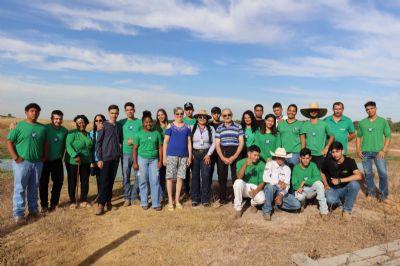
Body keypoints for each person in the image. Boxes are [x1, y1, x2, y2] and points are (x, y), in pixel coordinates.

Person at [7, 103, 47, 224]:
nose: (34, 113)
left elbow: (46, 143)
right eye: (32, 111)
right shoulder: (19, 126)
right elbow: (9, 142)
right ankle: (18, 214)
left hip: (37, 163)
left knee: (34, 187)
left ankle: (33, 211)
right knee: (20, 188)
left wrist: (44, 157)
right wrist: (15, 157)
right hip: (22, 163)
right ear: (26, 112)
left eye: (37, 111)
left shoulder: (42, 128)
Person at [356, 101, 391, 203]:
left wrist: (384, 150)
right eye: (367, 109)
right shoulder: (362, 123)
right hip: (365, 153)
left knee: (383, 173)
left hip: (378, 152)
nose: (369, 111)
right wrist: (358, 150)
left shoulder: (383, 121)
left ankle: (383, 195)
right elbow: (358, 137)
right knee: (368, 174)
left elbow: (388, 136)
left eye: (371, 108)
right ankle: (370, 193)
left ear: (376, 108)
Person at [321, 141, 362, 221]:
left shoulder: (350, 161)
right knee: (330, 200)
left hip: (344, 188)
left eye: (337, 151)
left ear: (342, 151)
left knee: (355, 185)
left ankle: (346, 210)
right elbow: (322, 172)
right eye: (333, 152)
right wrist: (325, 184)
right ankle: (340, 202)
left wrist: (340, 180)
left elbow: (359, 176)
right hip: (332, 189)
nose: (335, 154)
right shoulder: (328, 161)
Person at [163, 107, 192, 211]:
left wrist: (189, 156)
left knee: (180, 178)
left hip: (183, 156)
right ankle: (170, 201)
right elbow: (165, 142)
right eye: (177, 114)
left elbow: (189, 142)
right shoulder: (170, 126)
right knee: (170, 178)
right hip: (171, 155)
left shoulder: (187, 126)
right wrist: (164, 158)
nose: (179, 116)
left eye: (181, 114)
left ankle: (177, 200)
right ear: (174, 115)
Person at [95, 105, 123, 215]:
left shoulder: (118, 126)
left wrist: (119, 148)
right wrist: (99, 159)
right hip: (105, 158)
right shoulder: (103, 126)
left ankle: (109, 202)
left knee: (111, 181)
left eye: (116, 113)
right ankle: (101, 204)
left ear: (118, 113)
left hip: (115, 158)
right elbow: (98, 143)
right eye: (112, 113)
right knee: (104, 181)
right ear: (108, 113)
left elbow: (120, 140)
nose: (114, 115)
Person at [133, 111, 163, 211]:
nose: (148, 124)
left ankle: (156, 203)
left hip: (154, 160)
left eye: (150, 122)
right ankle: (144, 202)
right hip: (142, 159)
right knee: (143, 180)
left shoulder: (156, 133)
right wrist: (135, 162)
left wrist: (160, 161)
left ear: (153, 122)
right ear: (143, 123)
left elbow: (160, 148)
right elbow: (135, 149)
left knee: (155, 181)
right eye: (146, 122)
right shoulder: (138, 134)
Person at [262, 147, 301, 221]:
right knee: (270, 187)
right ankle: (267, 211)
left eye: (282, 158)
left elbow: (287, 185)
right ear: (276, 157)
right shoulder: (270, 164)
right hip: (271, 189)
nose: (280, 159)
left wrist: (281, 195)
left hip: (281, 191)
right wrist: (278, 182)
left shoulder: (287, 169)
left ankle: (277, 204)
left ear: (285, 158)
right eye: (279, 157)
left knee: (297, 205)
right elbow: (265, 178)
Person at [40, 110, 68, 212]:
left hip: (57, 160)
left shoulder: (64, 130)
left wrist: (62, 156)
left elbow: (65, 145)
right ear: (52, 119)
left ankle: (54, 204)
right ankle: (44, 206)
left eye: (60, 119)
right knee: (43, 183)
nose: (58, 121)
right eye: (56, 118)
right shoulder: (45, 128)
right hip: (45, 160)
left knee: (58, 182)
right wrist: (14, 124)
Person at [215, 108, 244, 206]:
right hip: (222, 152)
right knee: (222, 177)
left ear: (232, 115)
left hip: (235, 151)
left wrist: (234, 156)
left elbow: (241, 143)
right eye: (224, 115)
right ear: (222, 117)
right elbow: (217, 144)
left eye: (229, 115)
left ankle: (236, 198)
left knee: (236, 176)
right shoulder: (219, 128)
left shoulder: (238, 126)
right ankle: (222, 198)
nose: (227, 117)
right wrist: (222, 157)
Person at [65, 115, 92, 209]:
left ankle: (83, 200)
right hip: (73, 161)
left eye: (83, 122)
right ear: (76, 124)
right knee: (72, 181)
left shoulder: (88, 134)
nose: (81, 124)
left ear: (86, 123)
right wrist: (74, 155)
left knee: (85, 181)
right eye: (79, 123)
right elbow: (68, 145)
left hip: (86, 161)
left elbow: (90, 147)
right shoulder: (72, 133)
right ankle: (72, 201)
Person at [292, 148, 328, 217]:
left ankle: (324, 211)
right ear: (300, 158)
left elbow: (319, 177)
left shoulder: (313, 165)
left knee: (319, 183)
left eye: (307, 158)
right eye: (303, 158)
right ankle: (302, 204)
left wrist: (305, 181)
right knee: (300, 197)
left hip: (310, 189)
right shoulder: (296, 168)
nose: (305, 160)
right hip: (301, 190)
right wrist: (298, 188)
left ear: (310, 158)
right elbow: (294, 183)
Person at [118, 102, 142, 207]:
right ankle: (127, 198)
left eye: (131, 109)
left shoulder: (140, 122)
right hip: (125, 153)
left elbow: (144, 135)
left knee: (138, 175)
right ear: (125, 111)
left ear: (134, 110)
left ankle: (134, 196)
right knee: (126, 176)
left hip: (138, 153)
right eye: (127, 110)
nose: (129, 111)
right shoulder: (121, 123)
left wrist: (135, 140)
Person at [190, 109, 215, 207]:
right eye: (200, 117)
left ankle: (205, 199)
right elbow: (188, 142)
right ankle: (195, 199)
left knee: (205, 176)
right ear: (197, 118)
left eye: (204, 117)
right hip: (194, 154)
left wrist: (209, 154)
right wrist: (190, 153)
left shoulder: (211, 129)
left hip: (206, 154)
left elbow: (214, 143)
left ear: (207, 119)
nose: (202, 119)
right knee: (195, 176)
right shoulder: (192, 127)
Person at [233, 145, 266, 218]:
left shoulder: (262, 164)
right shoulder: (241, 162)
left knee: (262, 199)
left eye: (258, 155)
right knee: (238, 182)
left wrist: (256, 191)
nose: (257, 157)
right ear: (249, 154)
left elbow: (262, 182)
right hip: (244, 186)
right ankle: (238, 209)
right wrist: (245, 165)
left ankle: (253, 204)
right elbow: (239, 177)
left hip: (255, 187)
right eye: (255, 155)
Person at [300, 102, 335, 169]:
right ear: (308, 112)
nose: (313, 112)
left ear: (318, 112)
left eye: (315, 110)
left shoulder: (324, 124)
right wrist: (302, 154)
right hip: (308, 155)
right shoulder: (304, 124)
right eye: (311, 110)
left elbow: (332, 136)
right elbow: (303, 139)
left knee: (320, 175)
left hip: (320, 155)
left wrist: (327, 147)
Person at [278, 104, 303, 169]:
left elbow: (303, 140)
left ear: (296, 113)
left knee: (293, 172)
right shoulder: (281, 124)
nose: (291, 112)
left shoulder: (300, 124)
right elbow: (278, 139)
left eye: (293, 111)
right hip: (283, 153)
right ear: (287, 111)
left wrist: (302, 154)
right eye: (289, 110)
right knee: (283, 173)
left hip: (295, 153)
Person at [89, 114, 106, 202]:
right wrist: (92, 162)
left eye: (100, 120)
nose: (98, 122)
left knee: (105, 179)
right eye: (96, 121)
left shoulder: (107, 131)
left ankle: (104, 198)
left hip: (105, 159)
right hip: (95, 159)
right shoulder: (92, 133)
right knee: (98, 179)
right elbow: (91, 148)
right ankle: (100, 196)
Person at [155, 108, 169, 200]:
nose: (160, 116)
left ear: (165, 115)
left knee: (167, 175)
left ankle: (164, 193)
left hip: (169, 153)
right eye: (159, 115)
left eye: (162, 114)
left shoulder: (169, 126)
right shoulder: (155, 127)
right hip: (158, 153)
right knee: (158, 174)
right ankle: (159, 195)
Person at [183, 102, 195, 197]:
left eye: (190, 109)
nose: (188, 111)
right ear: (184, 111)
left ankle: (194, 191)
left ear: (193, 110)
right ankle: (186, 191)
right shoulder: (182, 120)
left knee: (194, 172)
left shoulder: (196, 120)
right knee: (185, 172)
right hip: (185, 149)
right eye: (187, 109)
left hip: (195, 148)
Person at [209, 106, 222, 187]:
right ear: (212, 114)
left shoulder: (223, 124)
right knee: (209, 172)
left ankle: (221, 192)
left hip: (220, 152)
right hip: (211, 152)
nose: (216, 115)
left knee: (221, 173)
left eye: (218, 113)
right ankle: (208, 192)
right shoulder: (208, 124)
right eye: (214, 113)